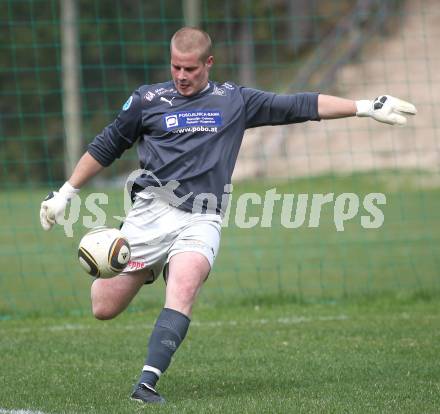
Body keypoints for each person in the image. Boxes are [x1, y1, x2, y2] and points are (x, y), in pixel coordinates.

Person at [39, 27, 416, 404]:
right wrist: (66, 194)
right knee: (103, 306)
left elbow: (298, 106)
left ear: (209, 63)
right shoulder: (147, 100)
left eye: (191, 69)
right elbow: (106, 145)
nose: (182, 76)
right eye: (176, 68)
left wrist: (366, 106)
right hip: (151, 213)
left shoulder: (233, 100)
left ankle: (146, 384)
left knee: (184, 286)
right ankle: (149, 262)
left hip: (202, 217)